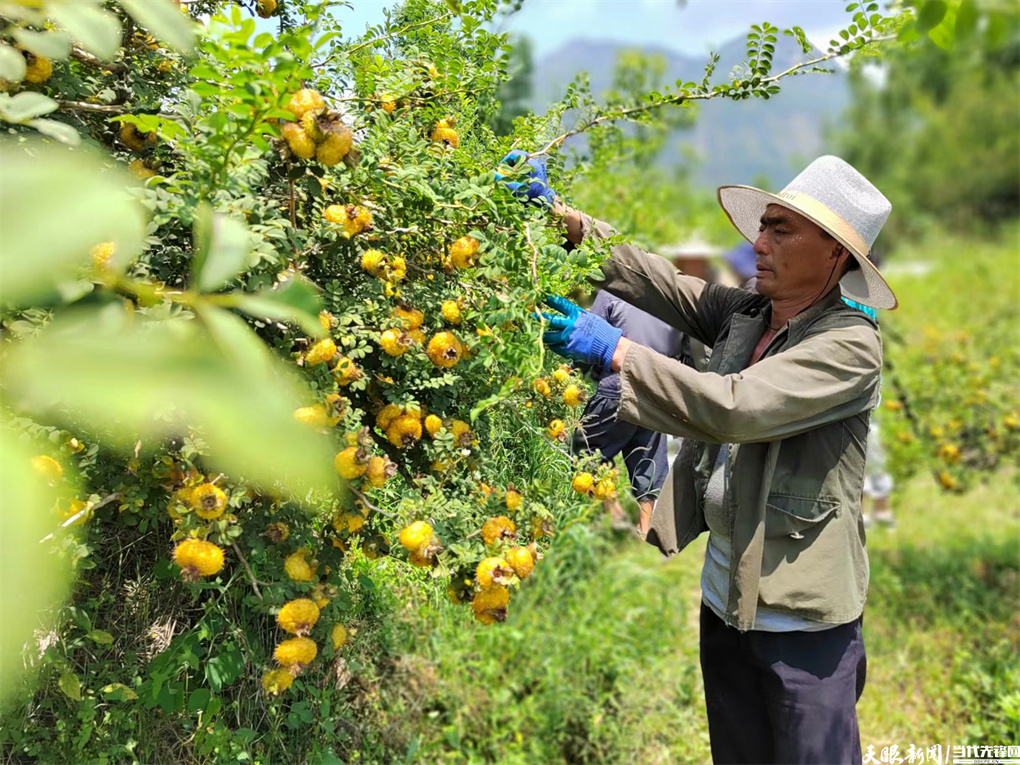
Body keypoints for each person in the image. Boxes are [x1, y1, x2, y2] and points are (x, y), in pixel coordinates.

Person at [503, 151, 894, 764]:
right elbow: (660, 282)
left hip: (802, 624)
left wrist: (618, 352)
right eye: (763, 225)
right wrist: (565, 221)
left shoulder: (849, 345)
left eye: (780, 229)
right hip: (725, 601)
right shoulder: (748, 314)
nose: (757, 242)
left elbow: (735, 407)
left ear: (836, 254)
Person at [572, 291, 682, 535]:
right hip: (657, 391)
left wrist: (576, 377)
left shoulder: (611, 294)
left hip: (617, 387)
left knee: (586, 450)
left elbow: (588, 334)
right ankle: (645, 527)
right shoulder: (667, 298)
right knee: (647, 456)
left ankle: (613, 514)